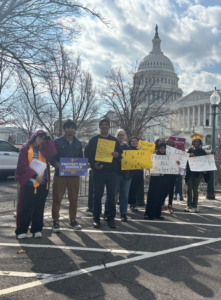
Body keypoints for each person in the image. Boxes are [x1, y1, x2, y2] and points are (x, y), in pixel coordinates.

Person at [15, 130, 57, 239]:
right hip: (29, 183)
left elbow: (53, 152)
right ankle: (21, 230)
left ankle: (37, 229)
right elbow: (22, 166)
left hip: (42, 183)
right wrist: (34, 176)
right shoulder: (25, 148)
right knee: (26, 207)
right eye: (40, 138)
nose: (42, 140)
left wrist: (48, 138)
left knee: (39, 208)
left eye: (44, 139)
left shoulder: (44, 149)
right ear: (34, 137)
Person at [85, 118, 122, 229]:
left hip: (112, 173)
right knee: (97, 196)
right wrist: (93, 164)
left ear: (109, 127)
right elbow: (87, 154)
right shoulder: (94, 140)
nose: (104, 126)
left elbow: (120, 154)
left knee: (111, 196)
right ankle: (96, 218)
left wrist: (117, 155)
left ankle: (111, 219)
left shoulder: (114, 140)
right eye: (102, 124)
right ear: (100, 126)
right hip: (98, 173)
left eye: (106, 124)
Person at [50, 119, 83, 232]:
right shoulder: (57, 142)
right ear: (64, 129)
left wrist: (85, 165)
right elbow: (51, 156)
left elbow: (81, 159)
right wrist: (55, 163)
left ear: (74, 129)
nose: (70, 129)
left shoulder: (79, 143)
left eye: (72, 127)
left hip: (74, 176)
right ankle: (55, 221)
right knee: (57, 198)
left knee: (73, 198)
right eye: (68, 127)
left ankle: (72, 219)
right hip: (60, 175)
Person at [104, 129, 132, 222]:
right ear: (116, 136)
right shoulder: (113, 147)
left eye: (123, 135)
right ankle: (107, 211)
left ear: (125, 137)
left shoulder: (128, 148)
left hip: (126, 174)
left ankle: (123, 213)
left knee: (124, 195)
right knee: (112, 194)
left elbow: (135, 158)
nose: (121, 137)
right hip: (115, 173)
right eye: (119, 135)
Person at [185, 133, 210, 213]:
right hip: (190, 172)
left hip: (198, 173)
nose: (196, 143)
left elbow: (205, 162)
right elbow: (185, 159)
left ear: (200, 143)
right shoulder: (190, 150)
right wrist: (188, 156)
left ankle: (194, 206)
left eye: (197, 141)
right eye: (194, 141)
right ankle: (188, 205)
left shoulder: (202, 152)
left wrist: (204, 170)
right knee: (189, 189)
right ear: (192, 142)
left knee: (195, 189)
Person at [144, 143, 170, 220]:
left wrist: (177, 163)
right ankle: (149, 213)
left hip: (164, 178)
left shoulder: (169, 157)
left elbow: (174, 165)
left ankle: (157, 213)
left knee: (161, 195)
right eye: (161, 148)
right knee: (152, 195)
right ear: (158, 149)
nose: (162, 149)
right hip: (155, 178)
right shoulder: (153, 157)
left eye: (164, 148)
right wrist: (150, 164)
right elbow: (147, 165)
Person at [128, 136, 143, 212]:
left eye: (136, 141)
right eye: (132, 141)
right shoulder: (127, 150)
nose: (134, 142)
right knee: (128, 189)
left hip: (138, 172)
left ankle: (132, 203)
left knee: (135, 189)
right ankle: (130, 203)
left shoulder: (141, 150)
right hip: (129, 172)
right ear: (130, 143)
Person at [164, 138, 178, 213]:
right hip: (166, 172)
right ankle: (161, 204)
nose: (170, 144)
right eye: (168, 142)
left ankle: (170, 205)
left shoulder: (176, 152)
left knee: (171, 189)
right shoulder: (163, 151)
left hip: (173, 172)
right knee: (165, 189)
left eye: (171, 143)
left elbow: (179, 160)